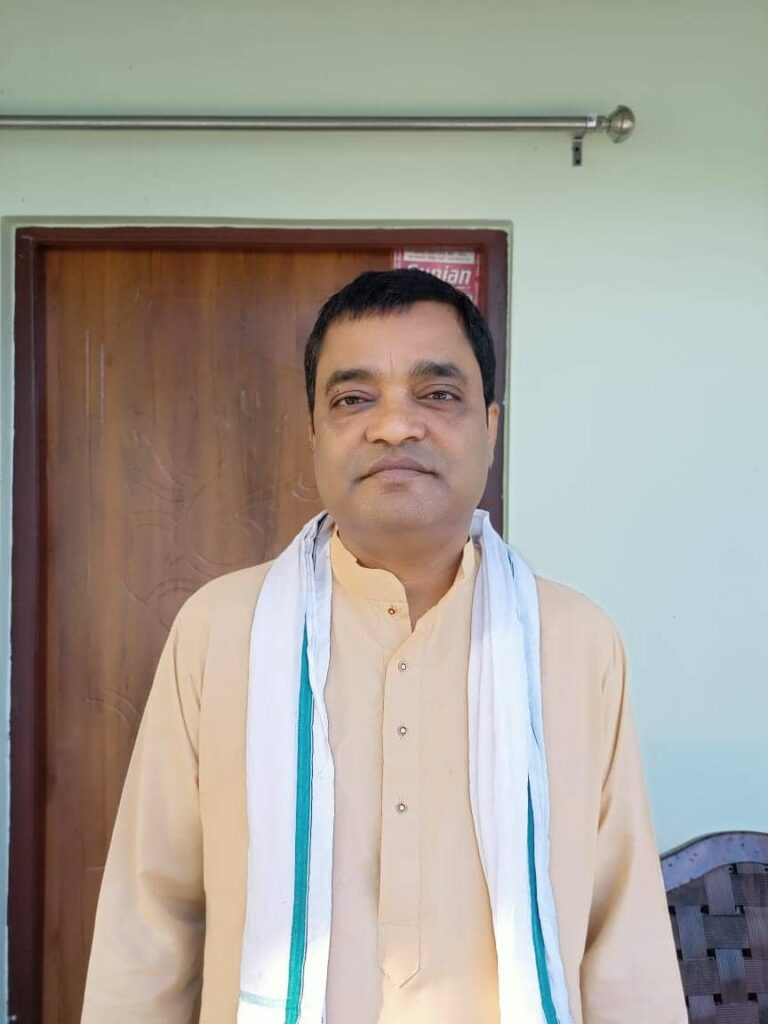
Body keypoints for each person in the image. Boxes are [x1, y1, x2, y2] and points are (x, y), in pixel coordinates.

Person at [82, 269, 687, 1024]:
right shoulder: (220, 629)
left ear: (491, 427)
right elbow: (150, 920)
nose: (396, 427)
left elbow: (623, 936)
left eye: (437, 394)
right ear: (313, 433)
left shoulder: (575, 639)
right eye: (353, 399)